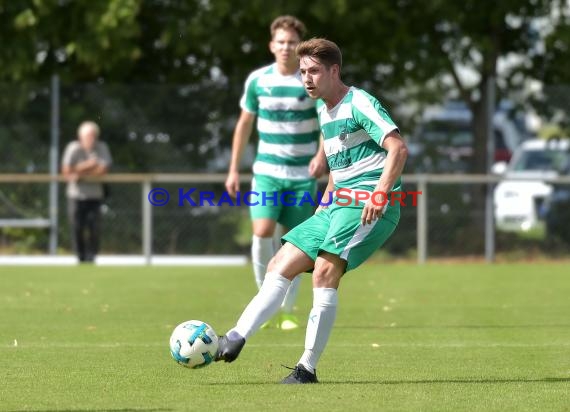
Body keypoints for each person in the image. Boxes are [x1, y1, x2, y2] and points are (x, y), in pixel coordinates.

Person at [215, 38, 408, 384]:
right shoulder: (323, 109)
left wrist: (379, 194)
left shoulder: (359, 101)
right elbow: (340, 163)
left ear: (334, 71)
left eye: (314, 71)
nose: (307, 78)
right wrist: (325, 202)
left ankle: (307, 367)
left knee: (323, 272)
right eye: (303, 71)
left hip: (367, 202)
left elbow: (397, 147)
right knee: (279, 264)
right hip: (336, 204)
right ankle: (235, 336)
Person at [225, 15, 327, 330]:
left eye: (292, 43)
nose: (286, 47)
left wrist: (322, 155)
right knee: (261, 233)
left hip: (301, 177)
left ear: (299, 47)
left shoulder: (309, 80)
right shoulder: (258, 81)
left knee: (294, 244)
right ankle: (264, 301)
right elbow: (244, 125)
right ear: (272, 45)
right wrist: (233, 169)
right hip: (267, 173)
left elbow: (327, 120)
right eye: (281, 42)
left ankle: (287, 310)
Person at [61, 121, 112, 263]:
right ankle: (80, 257)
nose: (91, 139)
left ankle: (91, 257)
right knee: (77, 227)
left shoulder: (102, 147)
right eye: (88, 136)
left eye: (93, 136)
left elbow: (103, 170)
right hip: (76, 196)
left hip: (95, 196)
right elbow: (66, 171)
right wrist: (87, 166)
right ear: (80, 137)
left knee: (95, 228)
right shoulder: (73, 148)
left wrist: (78, 171)